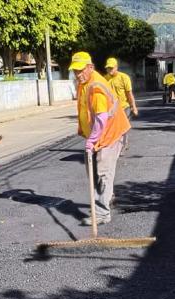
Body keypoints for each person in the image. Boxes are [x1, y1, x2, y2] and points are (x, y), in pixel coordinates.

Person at [69, 51, 131, 226]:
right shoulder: (84, 82)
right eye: (75, 71)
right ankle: (106, 197)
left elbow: (101, 117)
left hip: (109, 134)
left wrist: (92, 139)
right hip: (99, 134)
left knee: (103, 172)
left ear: (90, 67)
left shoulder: (96, 86)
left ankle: (102, 213)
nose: (78, 74)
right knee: (92, 171)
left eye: (81, 70)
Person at [104, 57, 138, 151]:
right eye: (108, 68)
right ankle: (115, 145)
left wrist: (133, 107)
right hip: (111, 109)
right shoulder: (105, 79)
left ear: (116, 67)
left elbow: (129, 94)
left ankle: (123, 145)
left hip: (124, 107)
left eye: (111, 68)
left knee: (122, 127)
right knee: (113, 128)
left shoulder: (124, 77)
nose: (109, 70)